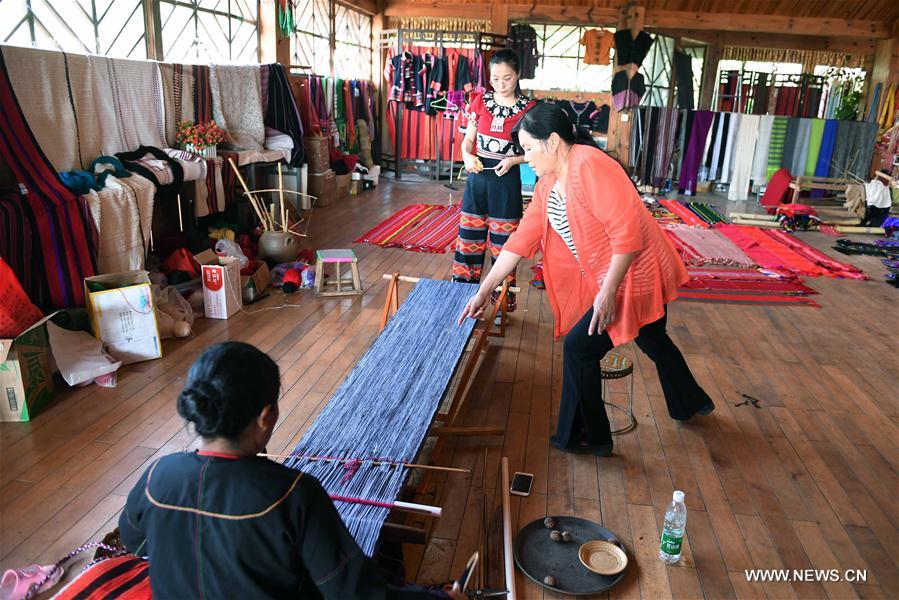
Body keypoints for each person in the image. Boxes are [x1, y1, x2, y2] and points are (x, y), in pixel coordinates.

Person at [458, 103, 715, 456]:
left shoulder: (589, 165)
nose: (525, 158)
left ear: (552, 142)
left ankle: (589, 437)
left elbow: (626, 233)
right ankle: (690, 401)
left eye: (528, 148)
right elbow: (520, 241)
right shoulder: (549, 184)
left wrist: (607, 292)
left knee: (580, 348)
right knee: (652, 336)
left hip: (634, 273)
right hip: (612, 273)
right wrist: (484, 290)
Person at [119, 342, 461, 599]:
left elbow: (135, 542)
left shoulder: (156, 477)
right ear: (265, 416)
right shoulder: (293, 493)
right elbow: (355, 593)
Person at [452, 49, 535, 316]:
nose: (500, 84)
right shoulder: (479, 101)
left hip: (506, 184)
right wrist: (467, 155)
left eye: (507, 78)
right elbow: (468, 139)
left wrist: (513, 161)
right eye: (495, 79)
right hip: (477, 181)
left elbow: (536, 151)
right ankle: (462, 299)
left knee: (504, 246)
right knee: (468, 240)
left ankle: (501, 306)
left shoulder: (530, 110)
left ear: (518, 75)